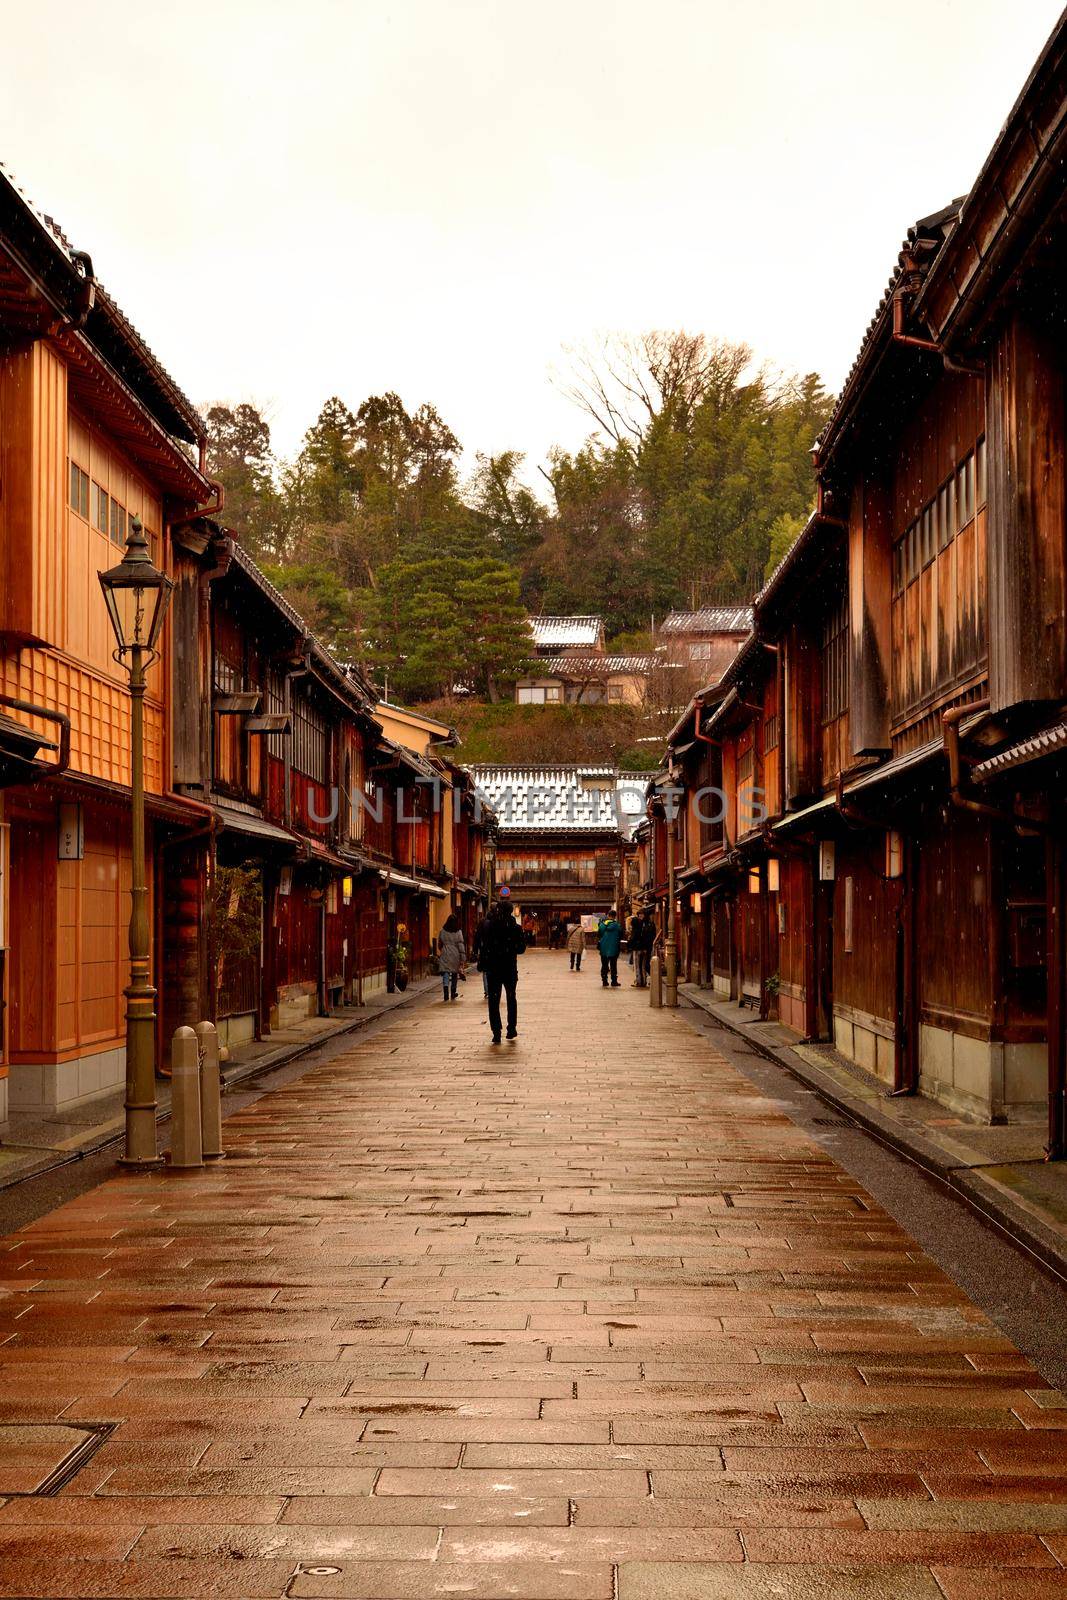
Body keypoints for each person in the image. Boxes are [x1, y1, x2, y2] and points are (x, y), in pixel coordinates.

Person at [479, 888, 527, 1043]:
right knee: (511, 998)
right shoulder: (516, 928)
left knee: (494, 1000)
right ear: (511, 912)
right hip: (509, 968)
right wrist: (509, 948)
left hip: (493, 968)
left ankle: (496, 1031)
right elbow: (521, 949)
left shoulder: (489, 927)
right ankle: (511, 1028)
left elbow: (484, 946)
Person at [437, 913, 466, 1003]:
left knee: (446, 972)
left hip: (445, 952)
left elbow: (439, 943)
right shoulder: (458, 932)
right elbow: (461, 945)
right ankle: (453, 992)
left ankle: (446, 992)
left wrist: (442, 949)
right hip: (455, 953)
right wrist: (463, 958)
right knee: (454, 973)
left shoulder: (442, 931)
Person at [597, 907, 623, 988]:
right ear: (615, 916)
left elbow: (599, 935)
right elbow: (621, 935)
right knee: (613, 965)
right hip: (614, 948)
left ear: (608, 915)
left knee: (604, 965)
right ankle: (614, 981)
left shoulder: (602, 925)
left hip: (603, 948)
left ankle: (604, 981)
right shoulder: (617, 926)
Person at [630, 911, 654, 988]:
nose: (640, 916)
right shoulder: (649, 924)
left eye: (641, 915)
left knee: (637, 965)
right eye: (639, 915)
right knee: (643, 966)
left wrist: (631, 943)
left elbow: (634, 938)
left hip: (638, 948)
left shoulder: (638, 926)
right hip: (645, 948)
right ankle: (643, 981)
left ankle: (639, 981)